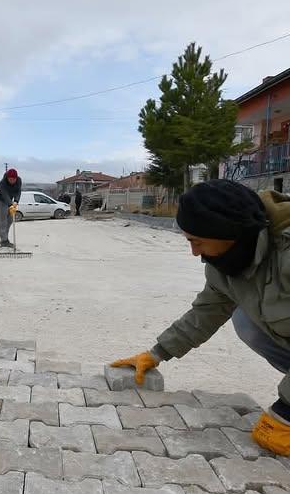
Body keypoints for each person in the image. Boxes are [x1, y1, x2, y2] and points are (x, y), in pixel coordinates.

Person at [111, 179, 290, 456]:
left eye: (197, 241)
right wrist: (158, 353)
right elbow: (207, 311)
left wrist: (285, 410)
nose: (194, 253)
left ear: (226, 232)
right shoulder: (226, 261)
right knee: (245, 321)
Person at [0, 168, 22, 248]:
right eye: (10, 179)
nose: (12, 181)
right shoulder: (3, 182)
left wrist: (16, 201)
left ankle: (5, 238)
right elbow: (4, 194)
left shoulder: (19, 180)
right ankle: (4, 241)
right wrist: (11, 204)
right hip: (2, 201)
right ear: (7, 178)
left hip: (10, 201)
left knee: (10, 220)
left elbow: (18, 191)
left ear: (16, 178)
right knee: (3, 220)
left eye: (13, 179)